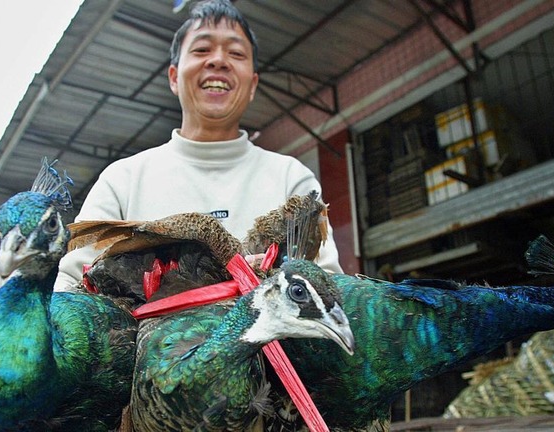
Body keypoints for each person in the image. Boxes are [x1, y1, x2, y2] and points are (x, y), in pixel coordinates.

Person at [55, 0, 342, 290]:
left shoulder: (291, 178)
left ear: (253, 85)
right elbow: (70, 289)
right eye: (202, 49)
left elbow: (329, 288)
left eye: (236, 53)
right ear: (173, 77)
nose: (218, 61)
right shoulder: (122, 181)